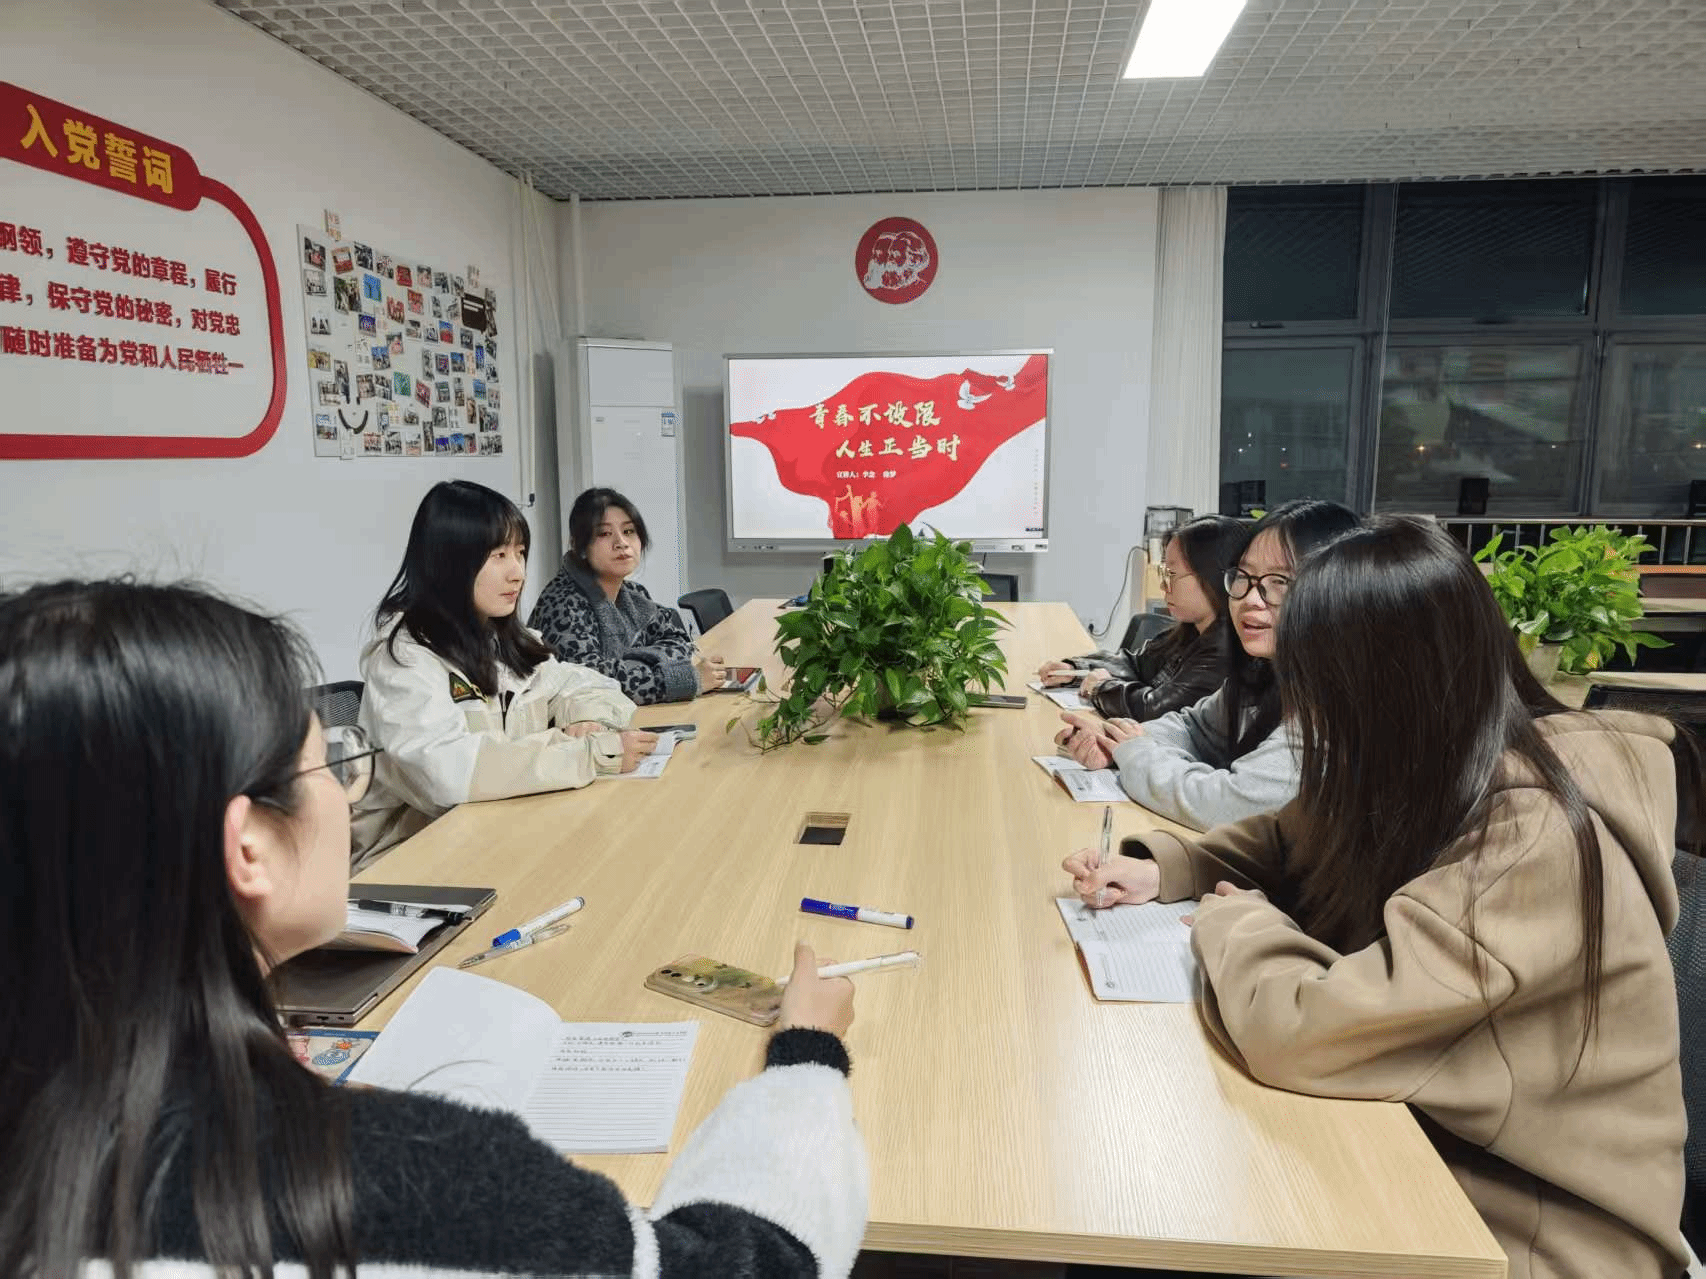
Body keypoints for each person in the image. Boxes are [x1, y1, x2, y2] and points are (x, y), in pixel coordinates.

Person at [0, 578, 866, 1278]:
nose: (346, 796)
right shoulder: (422, 1188)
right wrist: (806, 1056)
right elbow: (761, 1261)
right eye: (330, 766)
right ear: (249, 847)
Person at [1064, 516, 1704, 1279]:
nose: (1305, 712)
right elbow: (1289, 838)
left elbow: (1304, 1029)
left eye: (1320, 685)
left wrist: (1233, 919)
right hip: (1426, 1152)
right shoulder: (1418, 763)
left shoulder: (1540, 833)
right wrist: (1172, 867)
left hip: (1528, 1234)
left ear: (1394, 685)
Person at [353, 480, 656, 866]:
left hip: (499, 833)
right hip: (412, 860)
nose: (517, 573)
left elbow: (586, 684)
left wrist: (589, 721)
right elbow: (447, 774)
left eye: (520, 553)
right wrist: (585, 754)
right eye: (498, 555)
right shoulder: (404, 659)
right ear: (449, 562)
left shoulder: (502, 640)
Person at [1056, 499, 1360, 831]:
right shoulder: (1261, 669)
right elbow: (1195, 728)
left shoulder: (1333, 709)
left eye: (1281, 582)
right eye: (1245, 576)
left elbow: (1225, 805)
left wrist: (1134, 754)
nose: (1250, 598)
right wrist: (1114, 742)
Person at [1037, 514, 1245, 721]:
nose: (1163, 585)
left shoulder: (1225, 652)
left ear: (1213, 577)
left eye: (1171, 574)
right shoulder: (1191, 631)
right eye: (1164, 573)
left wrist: (1102, 688)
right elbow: (1136, 665)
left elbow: (1153, 710)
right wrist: (1076, 670)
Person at [530, 487, 728, 705]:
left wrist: (626, 664)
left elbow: (680, 644)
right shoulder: (563, 605)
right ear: (580, 546)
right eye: (604, 534)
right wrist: (685, 679)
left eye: (628, 531)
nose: (621, 543)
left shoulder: (634, 594)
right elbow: (590, 683)